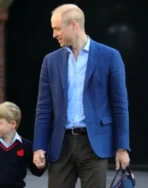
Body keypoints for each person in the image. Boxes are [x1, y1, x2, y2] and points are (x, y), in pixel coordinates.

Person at [33, 4, 130, 188]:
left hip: (94, 145)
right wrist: (39, 146)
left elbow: (120, 106)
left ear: (74, 25)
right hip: (60, 145)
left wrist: (122, 147)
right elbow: (44, 108)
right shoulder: (50, 61)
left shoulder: (110, 56)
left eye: (57, 28)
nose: (54, 34)